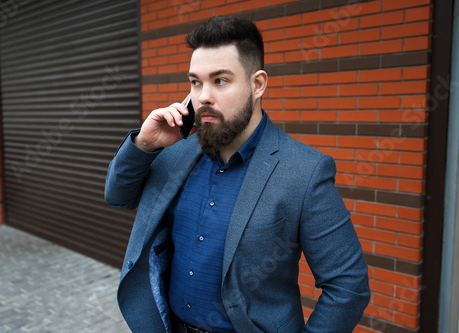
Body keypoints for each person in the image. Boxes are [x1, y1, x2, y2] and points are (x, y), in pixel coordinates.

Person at [105, 15, 370, 333]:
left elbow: (348, 286)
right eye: (195, 82)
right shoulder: (177, 153)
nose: (203, 96)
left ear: (257, 85)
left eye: (220, 80)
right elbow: (118, 197)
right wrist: (144, 144)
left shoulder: (304, 171)